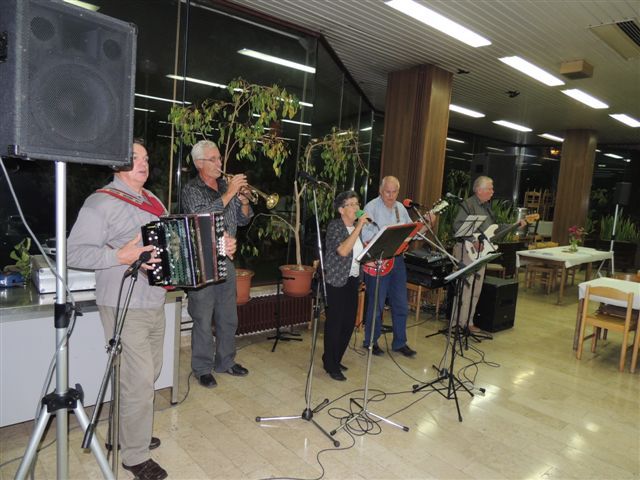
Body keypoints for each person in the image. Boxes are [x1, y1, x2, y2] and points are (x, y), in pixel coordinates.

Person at [67, 140, 181, 480]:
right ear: (117, 164)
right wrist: (118, 257)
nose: (144, 164)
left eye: (146, 158)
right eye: (135, 159)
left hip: (154, 300)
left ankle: (127, 434)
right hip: (122, 302)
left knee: (144, 375)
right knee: (139, 381)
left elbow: (169, 243)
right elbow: (74, 253)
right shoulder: (100, 202)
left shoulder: (154, 200)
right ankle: (134, 456)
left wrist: (215, 247)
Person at [181, 139, 253, 388]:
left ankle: (226, 362)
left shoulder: (225, 185)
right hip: (201, 261)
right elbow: (202, 217)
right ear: (199, 163)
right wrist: (231, 192)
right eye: (214, 159)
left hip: (227, 259)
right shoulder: (192, 189)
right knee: (202, 317)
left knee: (228, 316)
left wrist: (243, 200)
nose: (220, 163)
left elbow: (243, 221)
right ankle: (202, 368)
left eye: (220, 158)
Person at [451, 176, 526, 330]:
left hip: (481, 253)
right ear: (479, 190)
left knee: (476, 289)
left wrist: (515, 225)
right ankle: (457, 323)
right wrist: (473, 239)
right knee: (465, 289)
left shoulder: (487, 207)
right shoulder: (468, 205)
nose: (493, 191)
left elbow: (494, 229)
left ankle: (469, 322)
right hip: (466, 251)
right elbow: (457, 227)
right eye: (490, 188)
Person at [360, 176, 419, 357]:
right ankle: (370, 341)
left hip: (398, 260)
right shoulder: (371, 207)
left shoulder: (401, 208)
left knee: (401, 303)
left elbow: (410, 232)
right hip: (379, 261)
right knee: (376, 305)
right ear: (380, 190)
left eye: (394, 192)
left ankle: (400, 342)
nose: (391, 196)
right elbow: (364, 235)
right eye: (387, 192)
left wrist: (422, 227)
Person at [322, 191, 369, 381]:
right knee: (335, 323)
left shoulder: (357, 229)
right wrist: (358, 227)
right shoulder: (335, 226)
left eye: (357, 203)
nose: (357, 208)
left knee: (349, 322)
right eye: (351, 204)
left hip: (352, 279)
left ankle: (335, 358)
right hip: (336, 280)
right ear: (341, 209)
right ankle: (330, 364)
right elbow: (342, 251)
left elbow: (357, 254)